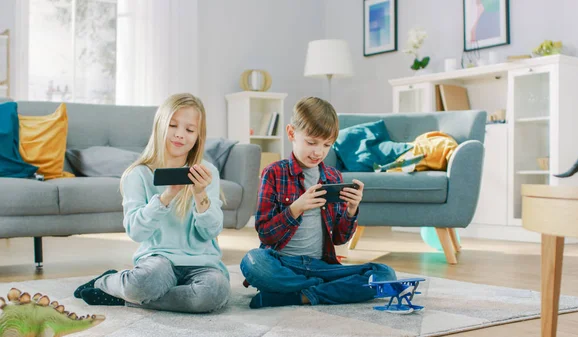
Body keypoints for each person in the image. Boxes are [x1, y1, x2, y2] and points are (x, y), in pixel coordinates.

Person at [73, 93, 230, 313]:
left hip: (202, 263)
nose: (180, 135)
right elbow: (136, 232)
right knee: (146, 282)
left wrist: (200, 194)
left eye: (189, 130)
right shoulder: (138, 174)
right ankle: (107, 282)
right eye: (173, 125)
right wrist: (166, 197)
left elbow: (211, 231)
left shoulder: (206, 172)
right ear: (159, 126)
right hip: (159, 260)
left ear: (198, 136)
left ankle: (126, 297)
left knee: (214, 292)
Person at [240, 97, 397, 309]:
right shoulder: (274, 173)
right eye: (311, 142)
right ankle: (328, 289)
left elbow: (341, 238)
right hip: (283, 263)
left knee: (385, 273)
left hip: (322, 266)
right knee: (252, 262)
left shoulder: (333, 177)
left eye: (327, 145)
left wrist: (351, 210)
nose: (318, 152)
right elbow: (265, 234)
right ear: (292, 133)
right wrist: (296, 208)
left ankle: (298, 295)